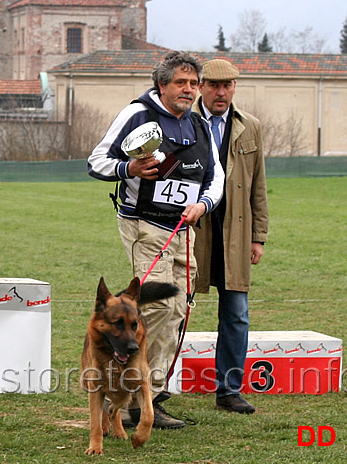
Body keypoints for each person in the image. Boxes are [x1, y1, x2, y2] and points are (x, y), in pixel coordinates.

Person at [88, 51, 225, 428]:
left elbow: (216, 176)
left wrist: (203, 204)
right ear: (161, 85)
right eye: (181, 83)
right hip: (144, 226)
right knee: (157, 308)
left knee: (179, 310)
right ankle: (131, 398)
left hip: (185, 229)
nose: (189, 90)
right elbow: (96, 160)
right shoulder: (136, 114)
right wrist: (128, 167)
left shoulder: (199, 125)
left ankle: (151, 395)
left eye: (194, 84)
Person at [192, 59, 269, 414]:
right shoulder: (183, 121)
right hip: (193, 231)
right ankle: (157, 391)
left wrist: (258, 236)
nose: (221, 92)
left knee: (236, 314)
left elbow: (258, 187)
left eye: (228, 86)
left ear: (235, 88)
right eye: (214, 85)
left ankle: (229, 390)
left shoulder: (249, 127)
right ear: (202, 86)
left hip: (235, 234)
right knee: (176, 309)